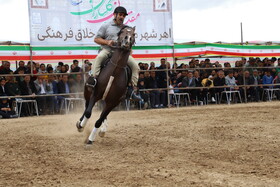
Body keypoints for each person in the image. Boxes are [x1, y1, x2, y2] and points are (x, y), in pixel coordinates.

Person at [89, 6, 139, 87]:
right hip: (107, 51)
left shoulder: (126, 28)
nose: (122, 17)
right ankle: (94, 80)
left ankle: (132, 88)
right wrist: (107, 42)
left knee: (135, 66)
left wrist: (130, 49)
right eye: (120, 15)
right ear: (115, 15)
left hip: (121, 54)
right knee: (99, 58)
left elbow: (129, 41)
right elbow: (96, 39)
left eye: (124, 16)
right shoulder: (106, 26)